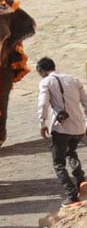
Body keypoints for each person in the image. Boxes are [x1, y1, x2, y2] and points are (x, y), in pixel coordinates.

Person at [35, 57, 87, 206]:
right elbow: (85, 102)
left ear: (42, 71)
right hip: (78, 126)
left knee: (58, 163)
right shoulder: (73, 79)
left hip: (61, 127)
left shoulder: (46, 82)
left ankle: (72, 196)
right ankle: (81, 181)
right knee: (71, 152)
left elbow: (43, 103)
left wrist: (42, 122)